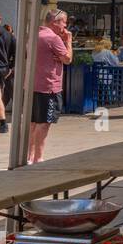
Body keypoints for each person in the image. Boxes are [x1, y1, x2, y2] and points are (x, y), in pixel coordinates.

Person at [29, 9, 73, 163]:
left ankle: (29, 156)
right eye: (64, 22)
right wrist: (68, 41)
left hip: (33, 85)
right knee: (45, 123)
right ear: (55, 22)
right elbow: (67, 59)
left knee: (33, 122)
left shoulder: (35, 35)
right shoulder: (53, 39)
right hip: (49, 86)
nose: (65, 26)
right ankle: (38, 158)